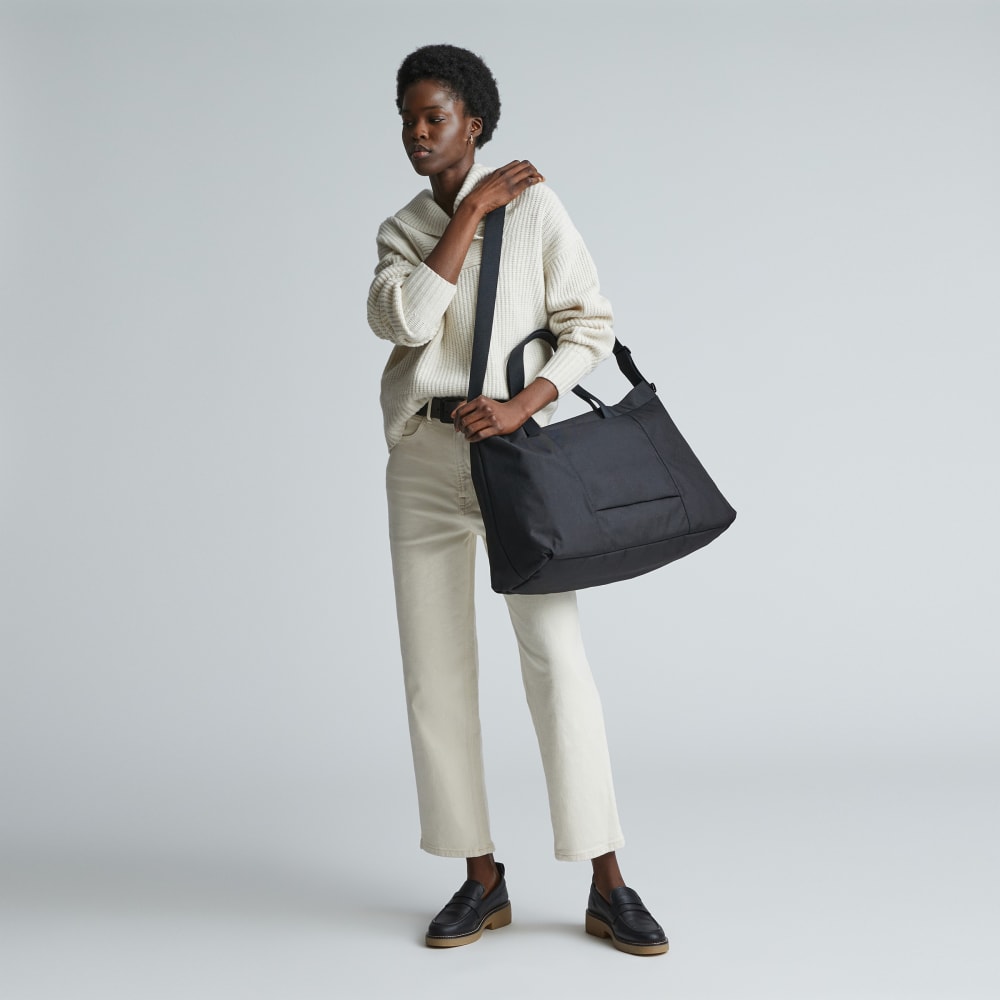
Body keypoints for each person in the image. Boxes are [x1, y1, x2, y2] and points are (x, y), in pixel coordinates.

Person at [366, 43, 668, 956]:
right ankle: (480, 877)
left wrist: (521, 405)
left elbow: (590, 326)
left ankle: (607, 881)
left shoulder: (536, 209)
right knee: (435, 674)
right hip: (425, 459)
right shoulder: (402, 230)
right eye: (409, 119)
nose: (418, 133)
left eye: (435, 117)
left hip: (515, 457)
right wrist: (469, 213)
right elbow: (405, 320)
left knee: (556, 662)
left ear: (476, 123)